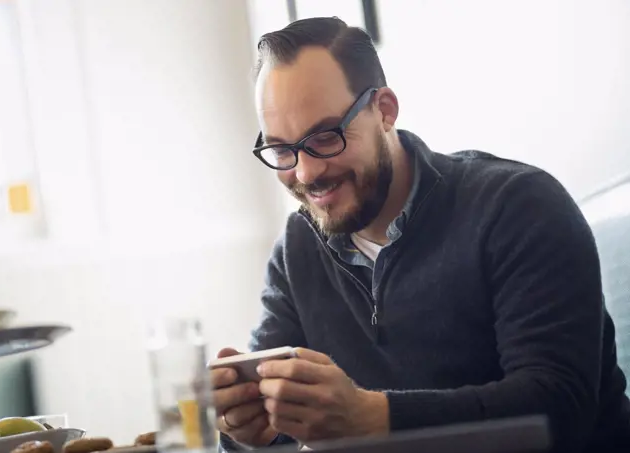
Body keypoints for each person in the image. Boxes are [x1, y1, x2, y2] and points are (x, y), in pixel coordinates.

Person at [212, 16, 630, 453]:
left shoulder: (516, 206)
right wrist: (249, 433)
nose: (306, 171)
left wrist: (373, 417)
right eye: (282, 148)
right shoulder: (297, 250)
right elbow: (273, 424)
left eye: (325, 137)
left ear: (385, 110)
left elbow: (559, 409)